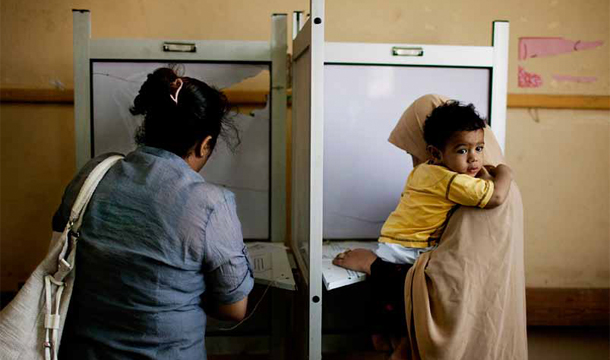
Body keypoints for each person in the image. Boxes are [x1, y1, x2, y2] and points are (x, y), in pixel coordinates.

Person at [55, 67, 254, 360]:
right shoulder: (210, 203)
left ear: (148, 128)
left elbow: (65, 248)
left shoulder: (92, 175)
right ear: (205, 144)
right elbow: (234, 309)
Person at [334, 94, 528, 360]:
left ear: (431, 150)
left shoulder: (480, 196)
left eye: (413, 151)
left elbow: (446, 290)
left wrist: (373, 266)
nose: (415, 160)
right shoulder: (481, 184)